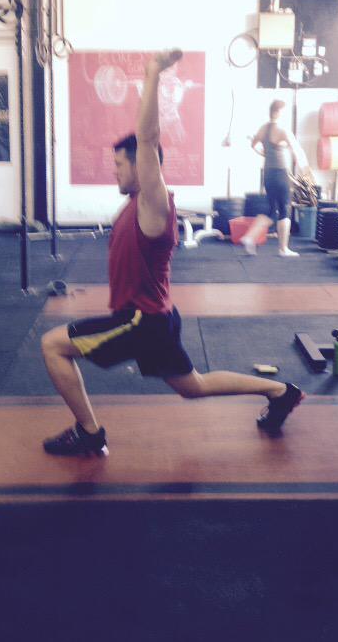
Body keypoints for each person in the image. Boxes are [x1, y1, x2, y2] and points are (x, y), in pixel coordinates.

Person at [41, 50, 304, 457]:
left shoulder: (154, 203)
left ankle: (89, 432)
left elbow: (147, 138)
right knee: (192, 386)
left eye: (120, 165)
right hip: (156, 318)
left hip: (139, 321)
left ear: (143, 168)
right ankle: (280, 391)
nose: (115, 171)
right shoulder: (132, 206)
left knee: (53, 345)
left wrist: (152, 73)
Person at [242, 99, 313, 257]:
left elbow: (253, 145)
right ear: (280, 112)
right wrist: (306, 172)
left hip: (267, 174)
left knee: (271, 209)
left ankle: (250, 237)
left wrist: (265, 153)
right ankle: (283, 249)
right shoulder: (283, 130)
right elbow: (297, 151)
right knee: (285, 209)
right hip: (281, 174)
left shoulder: (263, 129)